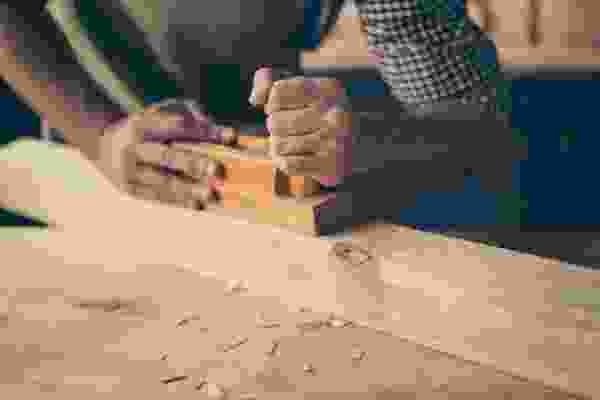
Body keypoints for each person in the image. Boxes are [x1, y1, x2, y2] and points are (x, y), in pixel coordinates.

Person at [0, 0, 520, 225]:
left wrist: (366, 143)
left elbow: (470, 121)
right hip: (90, 151)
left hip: (263, 174)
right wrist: (101, 134)